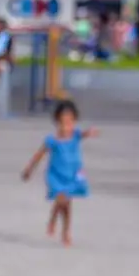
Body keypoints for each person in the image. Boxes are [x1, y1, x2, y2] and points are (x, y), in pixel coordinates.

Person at [21, 99, 99, 247]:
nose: (67, 127)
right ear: (57, 122)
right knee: (62, 199)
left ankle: (64, 229)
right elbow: (39, 155)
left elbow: (83, 134)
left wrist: (90, 132)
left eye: (70, 122)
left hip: (72, 173)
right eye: (63, 122)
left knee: (65, 202)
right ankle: (55, 222)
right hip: (56, 175)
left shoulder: (75, 135)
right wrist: (29, 170)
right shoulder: (52, 140)